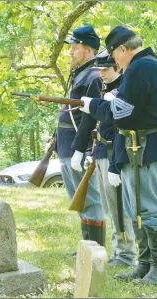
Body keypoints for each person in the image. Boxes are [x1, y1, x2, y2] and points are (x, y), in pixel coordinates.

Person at [79, 26, 157, 284]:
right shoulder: (145, 66)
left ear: (124, 49)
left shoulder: (140, 67)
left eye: (114, 54)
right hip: (138, 145)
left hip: (148, 145)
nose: (114, 61)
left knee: (150, 208)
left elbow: (122, 112)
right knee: (136, 209)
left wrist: (94, 105)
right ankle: (144, 265)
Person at [84, 49, 136, 267]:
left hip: (115, 154)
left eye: (105, 69)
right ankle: (118, 251)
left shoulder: (123, 90)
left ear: (117, 67)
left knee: (119, 208)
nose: (101, 73)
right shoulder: (107, 89)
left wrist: (115, 164)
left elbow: (120, 129)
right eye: (99, 69)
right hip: (102, 152)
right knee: (109, 207)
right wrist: (90, 152)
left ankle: (126, 255)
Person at [56, 26, 106, 250]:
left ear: (88, 50)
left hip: (79, 147)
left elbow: (90, 118)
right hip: (67, 146)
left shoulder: (94, 76)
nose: (70, 52)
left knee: (90, 198)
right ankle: (87, 248)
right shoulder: (80, 74)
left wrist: (83, 150)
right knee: (78, 199)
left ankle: (95, 250)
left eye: (75, 48)